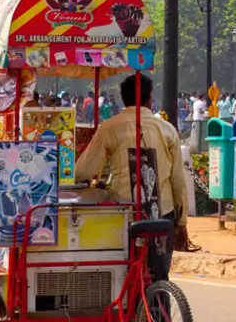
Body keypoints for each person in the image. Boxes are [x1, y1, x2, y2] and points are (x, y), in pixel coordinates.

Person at [74, 75, 190, 239]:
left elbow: (83, 171)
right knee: (159, 264)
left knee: (126, 263)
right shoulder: (168, 129)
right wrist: (182, 221)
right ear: (149, 100)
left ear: (123, 99)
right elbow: (178, 180)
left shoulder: (108, 128)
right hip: (163, 215)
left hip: (123, 214)